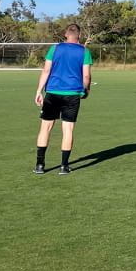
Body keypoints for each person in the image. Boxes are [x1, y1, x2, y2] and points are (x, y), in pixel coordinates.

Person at [33, 23, 92, 175]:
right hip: (72, 95)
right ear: (79, 36)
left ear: (66, 34)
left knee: (45, 128)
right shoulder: (85, 51)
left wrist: (39, 91)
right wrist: (86, 89)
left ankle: (40, 165)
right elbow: (86, 75)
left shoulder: (55, 48)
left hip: (52, 92)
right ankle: (64, 166)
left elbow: (46, 70)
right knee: (68, 129)